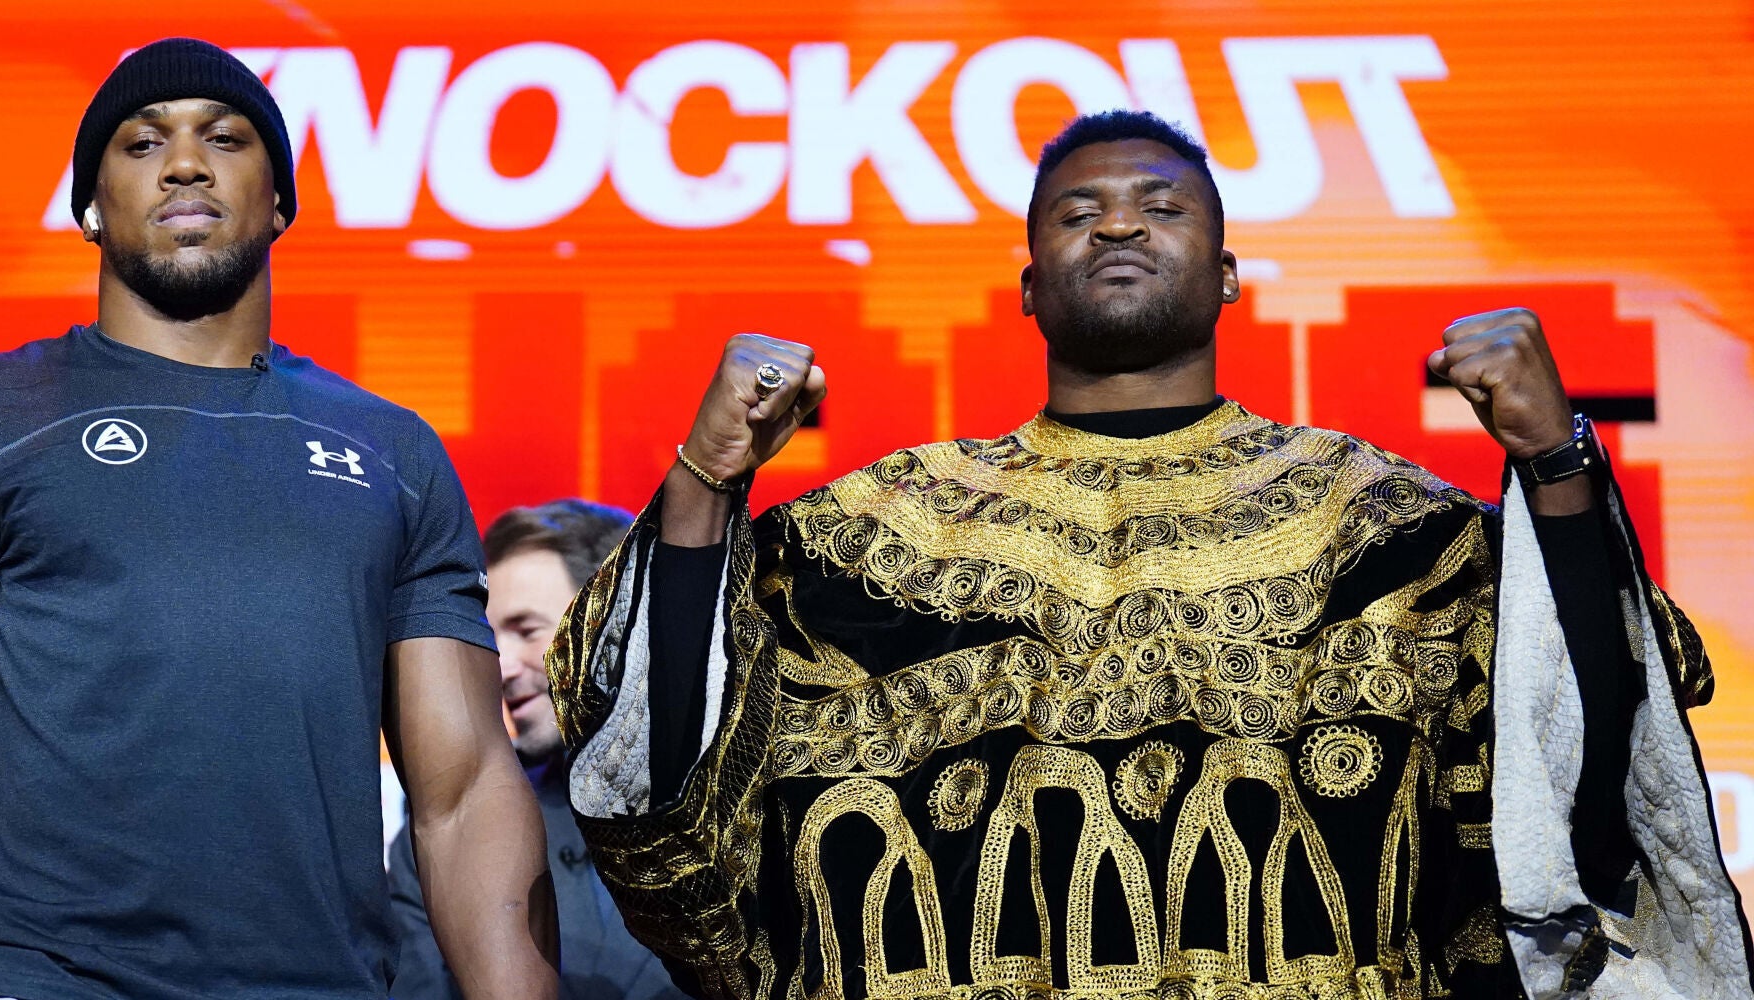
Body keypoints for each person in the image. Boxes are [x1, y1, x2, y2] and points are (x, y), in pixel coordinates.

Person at [545, 110, 1753, 999]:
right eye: (1076, 212)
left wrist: (1553, 462)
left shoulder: (1388, 528)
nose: (1116, 221)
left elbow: (1586, 759)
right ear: (1027, 288)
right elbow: (644, 759)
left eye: (1158, 206)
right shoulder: (857, 541)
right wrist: (705, 475)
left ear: (1227, 277)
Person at [0, 38, 556, 1000]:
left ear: (282, 200)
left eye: (223, 137)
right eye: (140, 144)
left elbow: (464, 794)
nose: (183, 162)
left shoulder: (393, 450)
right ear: (89, 208)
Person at [387, 499, 688, 1000]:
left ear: (618, 626)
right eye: (491, 639)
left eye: (527, 630)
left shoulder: (749, 800)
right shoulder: (443, 830)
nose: (500, 668)